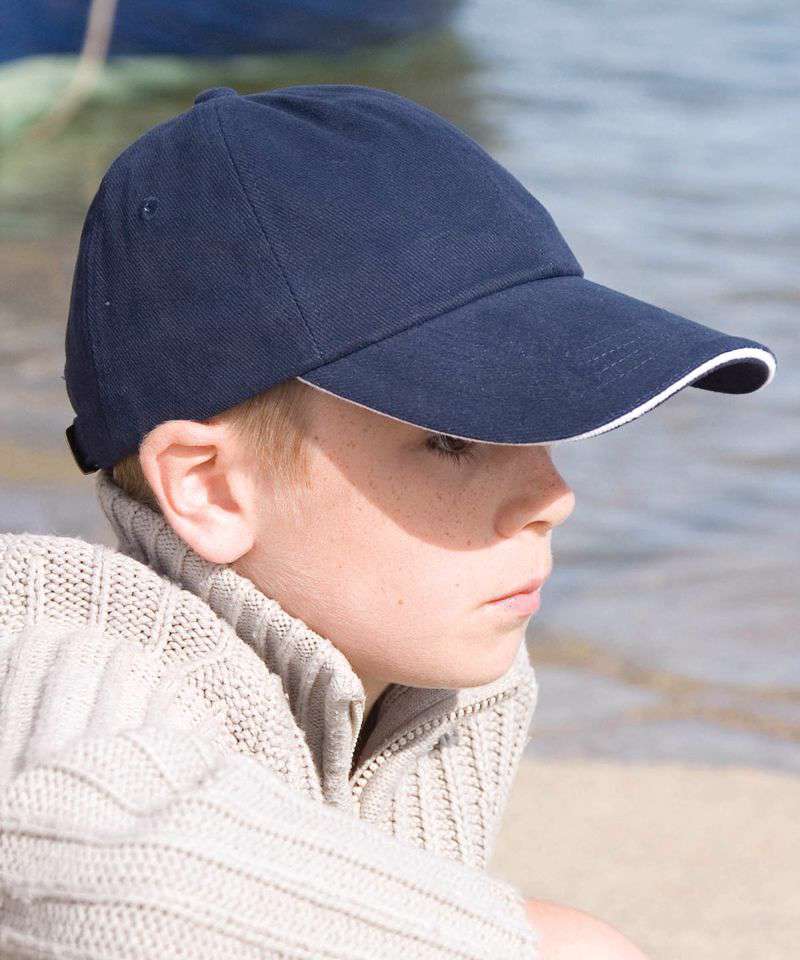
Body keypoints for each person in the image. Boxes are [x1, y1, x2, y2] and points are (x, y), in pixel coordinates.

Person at [0, 83, 776, 959]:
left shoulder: (433, 687)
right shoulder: (72, 652)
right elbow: (79, 854)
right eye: (452, 440)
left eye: (537, 425)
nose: (553, 497)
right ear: (210, 488)